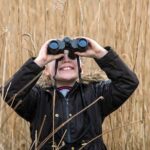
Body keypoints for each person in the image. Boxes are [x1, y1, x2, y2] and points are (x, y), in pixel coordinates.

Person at [2, 37, 139, 150]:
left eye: (73, 56)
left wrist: (99, 53)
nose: (66, 59)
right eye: (58, 58)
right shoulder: (38, 98)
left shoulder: (96, 93)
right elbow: (10, 92)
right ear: (46, 71)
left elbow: (128, 83)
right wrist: (40, 60)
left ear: (81, 68)